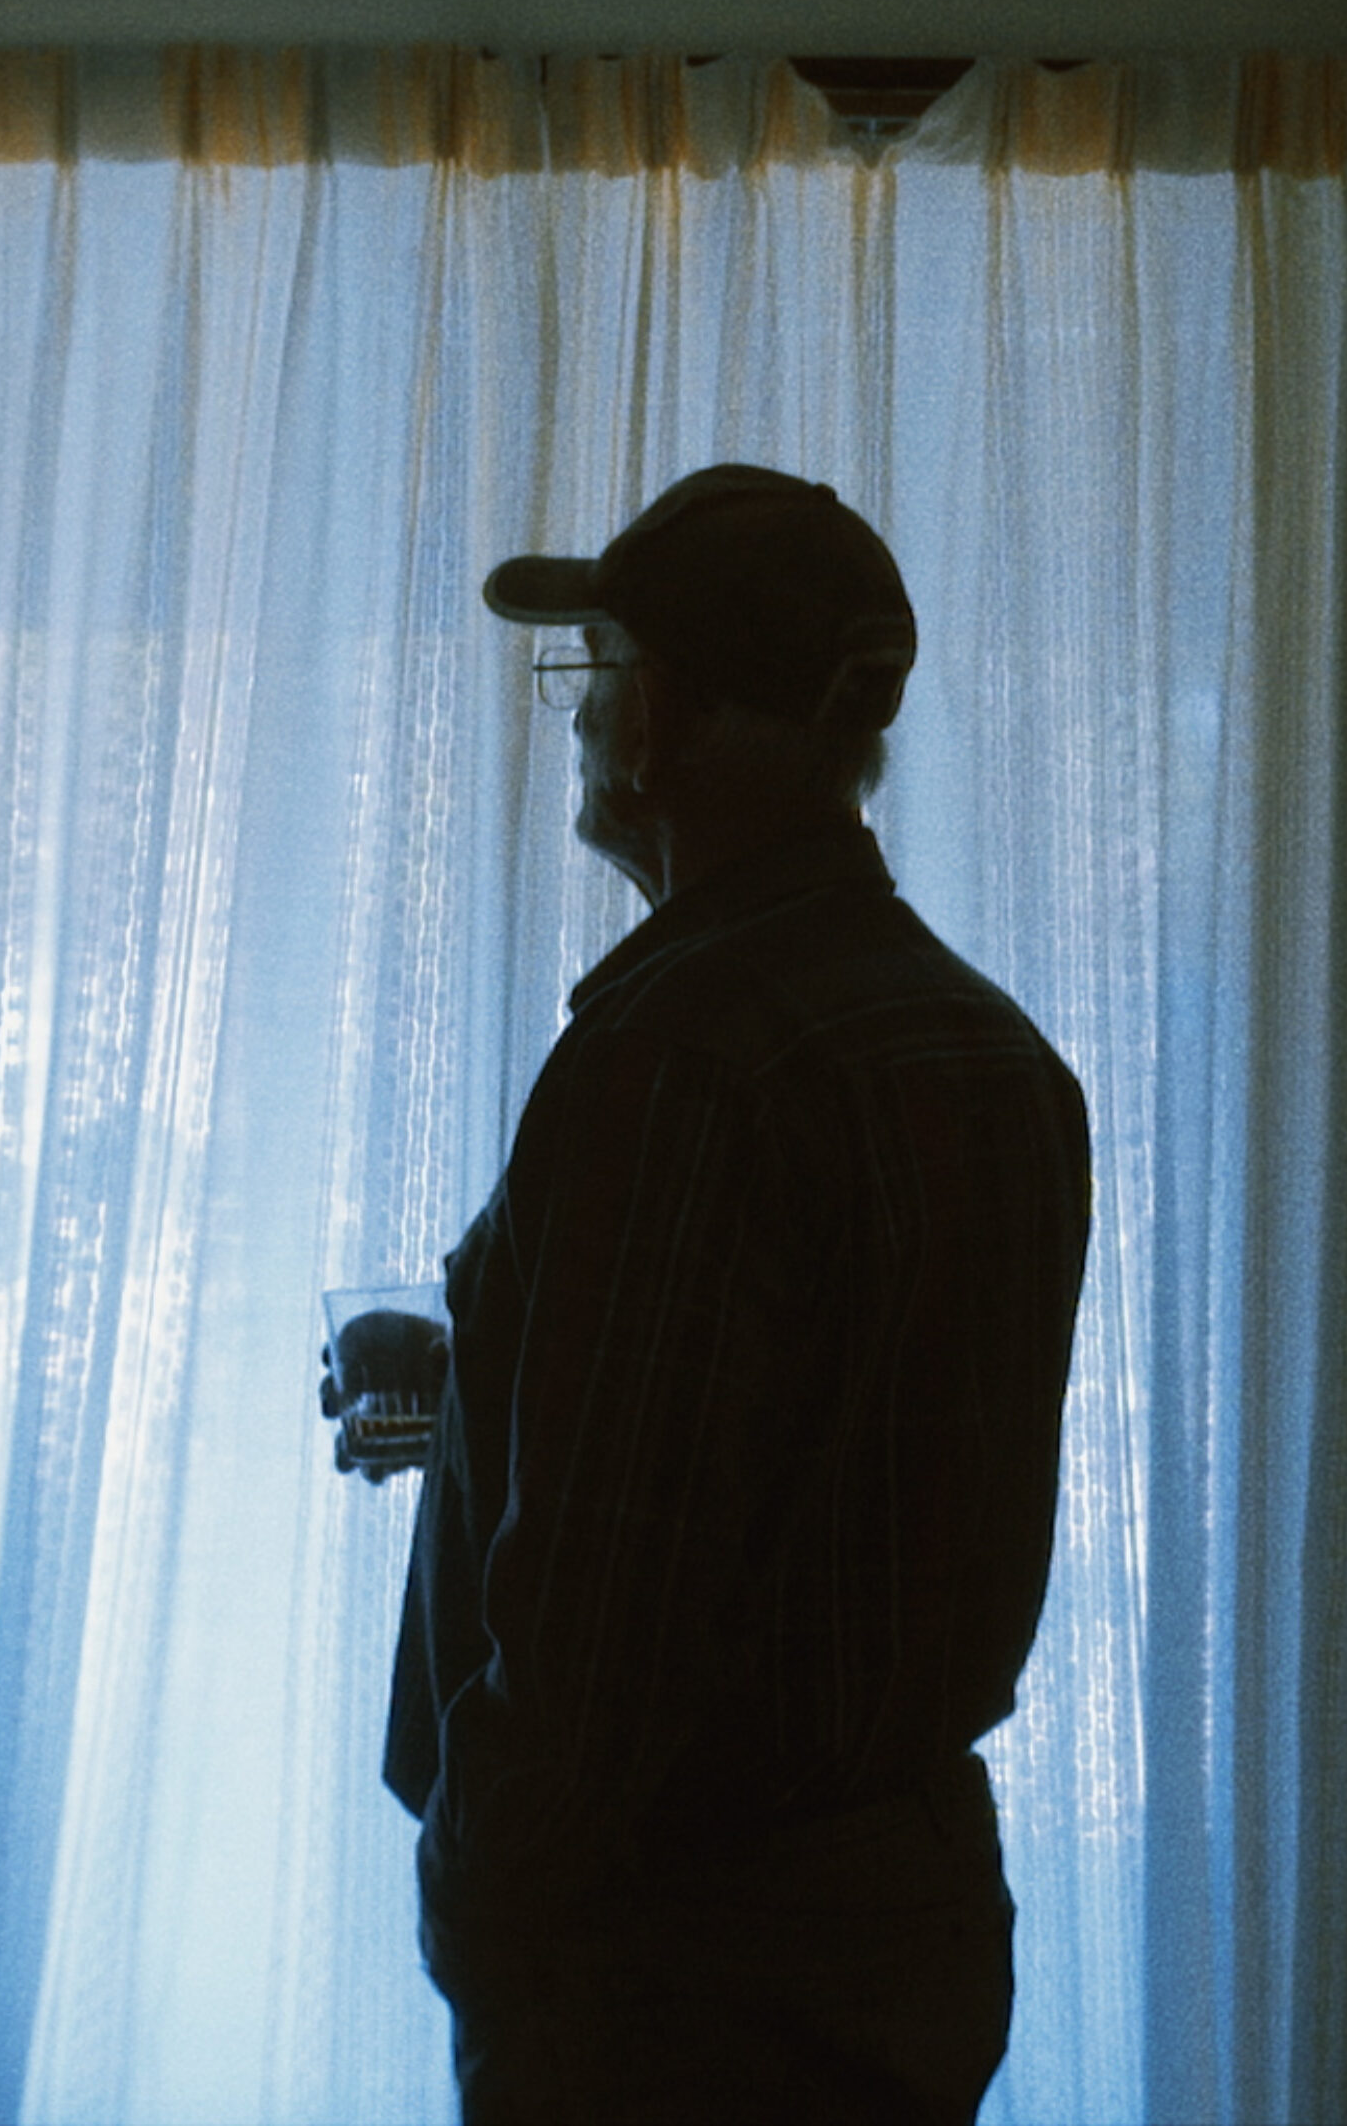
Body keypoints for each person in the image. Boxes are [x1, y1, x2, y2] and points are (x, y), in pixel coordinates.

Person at [327, 465, 1092, 2125]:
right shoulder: (998, 1054)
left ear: (659, 716)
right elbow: (829, 1422)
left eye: (595, 666)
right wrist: (479, 1369)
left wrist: (476, 1898)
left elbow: (599, 1636)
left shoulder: (674, 1064)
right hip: (907, 1925)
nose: (580, 714)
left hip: (675, 1977)